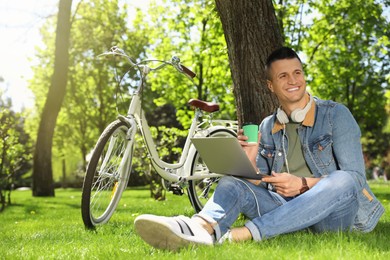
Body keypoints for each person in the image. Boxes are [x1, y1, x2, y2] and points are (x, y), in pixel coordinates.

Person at [133, 47, 384, 251]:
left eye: (297, 73)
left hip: (331, 216)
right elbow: (259, 183)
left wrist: (303, 184)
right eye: (283, 76)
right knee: (232, 182)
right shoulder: (267, 126)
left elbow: (355, 179)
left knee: (343, 179)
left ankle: (243, 234)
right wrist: (249, 159)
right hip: (284, 207)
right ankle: (198, 227)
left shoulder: (336, 115)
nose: (293, 80)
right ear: (271, 86)